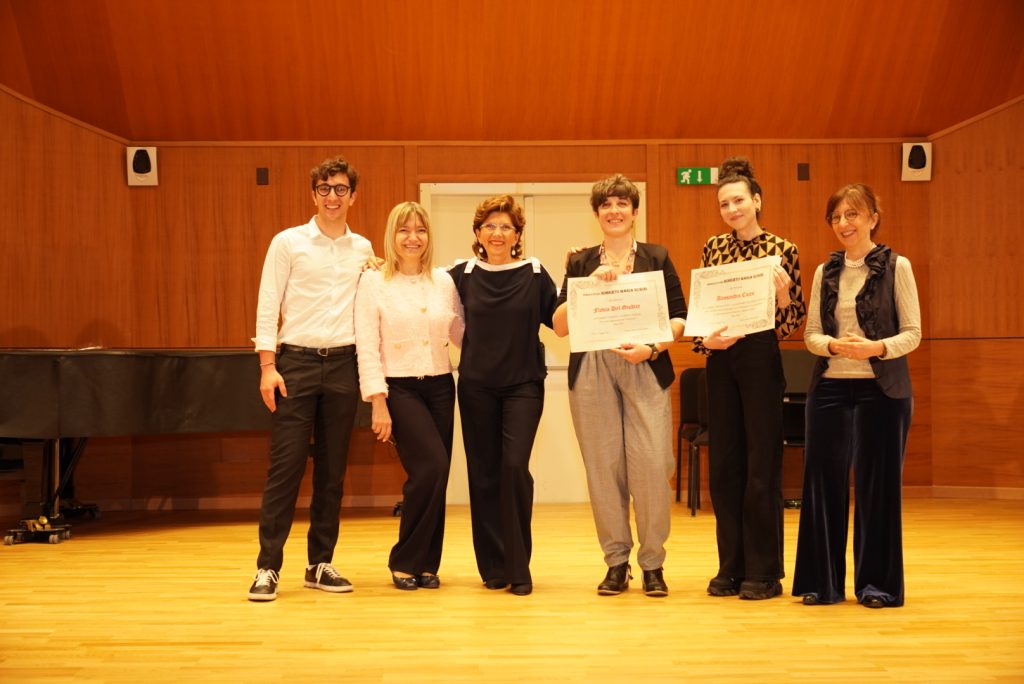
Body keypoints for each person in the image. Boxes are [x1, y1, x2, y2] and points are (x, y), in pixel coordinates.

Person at [552, 174, 687, 597]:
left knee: (651, 467)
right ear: (597, 214)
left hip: (644, 363)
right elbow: (558, 326)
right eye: (606, 205)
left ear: (634, 211)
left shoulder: (656, 256)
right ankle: (616, 562)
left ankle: (653, 564)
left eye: (622, 204)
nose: (614, 211)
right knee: (603, 469)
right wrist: (586, 286)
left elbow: (680, 318)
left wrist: (653, 348)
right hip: (592, 369)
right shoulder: (579, 262)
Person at [248, 156, 375, 602]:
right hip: (296, 365)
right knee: (284, 470)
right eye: (324, 189)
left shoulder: (363, 249)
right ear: (313, 194)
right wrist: (267, 366)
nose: (332, 197)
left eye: (340, 189)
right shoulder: (288, 242)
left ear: (353, 196)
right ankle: (267, 567)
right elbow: (268, 303)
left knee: (332, 473)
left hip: (344, 365)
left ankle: (320, 563)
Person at [792, 184, 921, 608]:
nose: (843, 223)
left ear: (872, 218)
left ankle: (877, 586)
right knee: (822, 487)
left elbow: (913, 334)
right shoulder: (824, 271)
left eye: (852, 214)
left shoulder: (897, 266)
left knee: (876, 489)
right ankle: (821, 584)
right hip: (829, 388)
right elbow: (811, 335)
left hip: (882, 392)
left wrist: (875, 348)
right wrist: (833, 345)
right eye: (836, 217)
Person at [694, 157, 806, 600]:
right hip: (721, 362)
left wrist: (783, 296)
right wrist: (706, 342)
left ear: (756, 200)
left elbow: (791, 323)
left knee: (762, 466)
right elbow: (703, 311)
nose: (732, 209)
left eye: (739, 200)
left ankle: (764, 571)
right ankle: (731, 567)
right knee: (725, 467)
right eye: (724, 203)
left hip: (761, 360)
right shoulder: (713, 248)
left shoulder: (783, 250)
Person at [448, 194, 558, 597]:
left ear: (517, 234)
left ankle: (518, 565)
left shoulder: (535, 272)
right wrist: (378, 266)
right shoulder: (460, 274)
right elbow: (415, 286)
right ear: (478, 233)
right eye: (490, 226)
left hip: (523, 386)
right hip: (476, 387)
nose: (497, 233)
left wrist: (584, 273)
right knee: (484, 474)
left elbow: (560, 321)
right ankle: (493, 567)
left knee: (513, 468)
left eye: (506, 227)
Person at [354, 201, 464, 591]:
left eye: (420, 230)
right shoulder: (373, 281)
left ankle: (427, 563)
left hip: (441, 386)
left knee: (438, 476)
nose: (412, 238)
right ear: (392, 235)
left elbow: (460, 334)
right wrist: (377, 401)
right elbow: (367, 345)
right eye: (404, 230)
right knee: (429, 468)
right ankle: (404, 559)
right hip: (399, 387)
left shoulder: (444, 281)